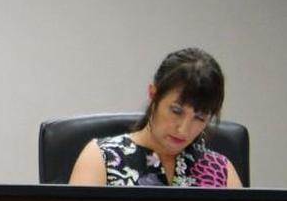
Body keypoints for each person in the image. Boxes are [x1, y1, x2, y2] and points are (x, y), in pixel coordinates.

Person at [69, 47, 240, 187]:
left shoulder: (221, 170)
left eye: (200, 118)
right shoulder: (102, 158)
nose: (183, 129)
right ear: (153, 95)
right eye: (176, 111)